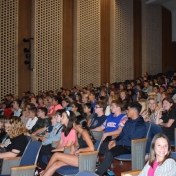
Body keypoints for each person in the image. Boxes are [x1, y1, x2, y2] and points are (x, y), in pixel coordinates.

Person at [96, 102, 146, 176]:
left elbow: (132, 142)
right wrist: (114, 141)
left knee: (110, 153)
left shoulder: (140, 125)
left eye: (128, 110)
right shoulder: (129, 121)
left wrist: (117, 143)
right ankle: (97, 167)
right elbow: (122, 134)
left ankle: (98, 174)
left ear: (134, 111)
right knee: (99, 147)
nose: (126, 111)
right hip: (122, 144)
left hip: (130, 147)